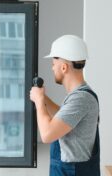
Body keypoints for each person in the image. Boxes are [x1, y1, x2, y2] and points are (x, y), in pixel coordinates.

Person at [29, 35, 100, 176]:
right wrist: (43, 98)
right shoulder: (79, 96)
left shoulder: (81, 98)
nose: (52, 69)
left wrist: (39, 102)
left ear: (64, 67)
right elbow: (63, 119)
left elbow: (47, 134)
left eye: (53, 64)